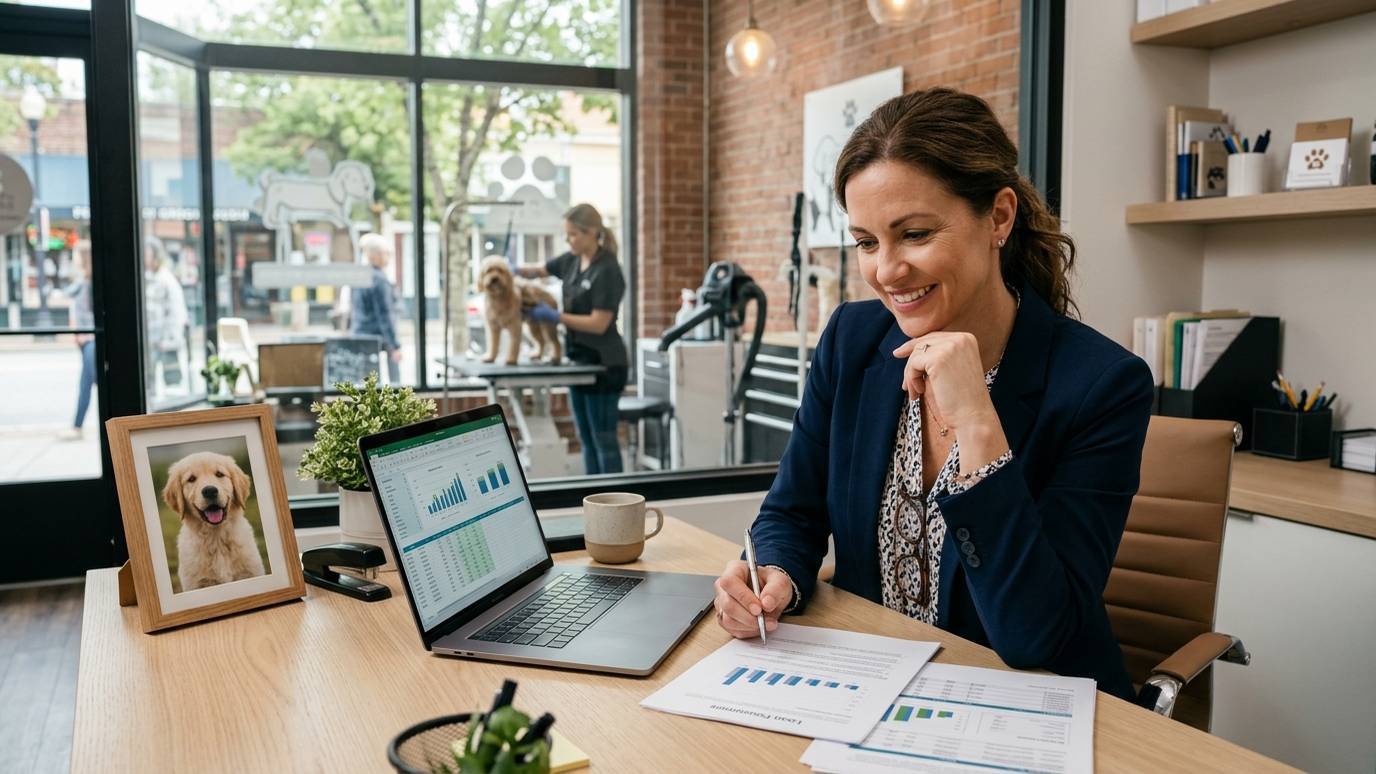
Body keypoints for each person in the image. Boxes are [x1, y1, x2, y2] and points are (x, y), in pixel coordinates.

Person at [712, 89, 1154, 700]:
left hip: (1027, 705)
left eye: (914, 234)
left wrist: (977, 422)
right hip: (873, 688)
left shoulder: (1102, 385)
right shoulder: (851, 339)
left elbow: (1035, 634)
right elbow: (794, 511)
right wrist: (775, 573)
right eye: (867, 242)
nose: (886, 271)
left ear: (999, 217)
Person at [516, 204, 628, 475]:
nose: (568, 240)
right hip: (578, 361)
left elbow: (599, 323)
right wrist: (511, 269)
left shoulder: (607, 269)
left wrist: (556, 316)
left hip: (604, 365)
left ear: (592, 233)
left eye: (573, 235)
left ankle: (615, 504)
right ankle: (594, 504)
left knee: (604, 440)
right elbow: (538, 270)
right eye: (566, 235)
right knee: (586, 439)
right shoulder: (571, 260)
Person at [351, 233, 402, 384]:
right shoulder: (379, 279)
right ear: (378, 255)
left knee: (368, 384)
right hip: (377, 336)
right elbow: (385, 315)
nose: (388, 258)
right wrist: (395, 345)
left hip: (360, 334)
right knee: (393, 380)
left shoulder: (360, 276)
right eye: (387, 254)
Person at [143, 235, 188, 397]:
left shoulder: (166, 279)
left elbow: (177, 312)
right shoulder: (147, 278)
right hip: (151, 340)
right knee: (148, 384)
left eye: (146, 254)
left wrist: (170, 340)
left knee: (172, 384)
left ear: (155, 255)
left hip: (165, 341)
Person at [59, 241, 95, 441]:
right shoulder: (83, 281)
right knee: (86, 384)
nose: (74, 260)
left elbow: (91, 313)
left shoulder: (89, 283)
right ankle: (77, 426)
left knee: (87, 384)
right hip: (86, 341)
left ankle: (77, 426)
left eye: (76, 256)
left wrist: (84, 335)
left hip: (90, 341)